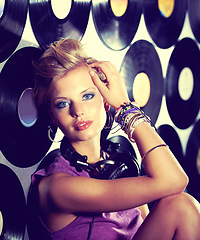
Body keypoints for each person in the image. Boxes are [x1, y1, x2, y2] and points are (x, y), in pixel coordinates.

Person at [28, 39, 200, 240]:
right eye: (63, 103)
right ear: (53, 117)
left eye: (87, 96)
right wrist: (125, 107)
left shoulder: (117, 168)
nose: (78, 111)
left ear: (105, 100)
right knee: (181, 207)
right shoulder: (57, 187)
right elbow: (175, 180)